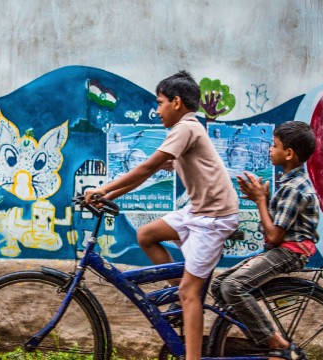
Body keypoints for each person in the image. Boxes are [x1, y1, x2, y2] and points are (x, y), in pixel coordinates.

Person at [85, 70, 239, 360]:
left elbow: (145, 167)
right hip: (197, 211)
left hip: (215, 217)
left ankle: (190, 339)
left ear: (177, 102)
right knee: (147, 234)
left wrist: (103, 188)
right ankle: (181, 303)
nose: (157, 111)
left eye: (160, 103)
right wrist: (107, 196)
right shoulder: (183, 132)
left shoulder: (186, 128)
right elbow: (148, 173)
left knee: (190, 293)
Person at [211, 121, 318, 360]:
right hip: (282, 248)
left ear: (288, 153)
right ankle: (260, 340)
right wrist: (264, 199)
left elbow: (274, 235)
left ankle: (277, 344)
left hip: (291, 252)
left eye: (274, 145)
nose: (270, 149)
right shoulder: (288, 183)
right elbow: (277, 225)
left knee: (233, 286)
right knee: (219, 286)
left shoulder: (295, 188)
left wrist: (260, 201)